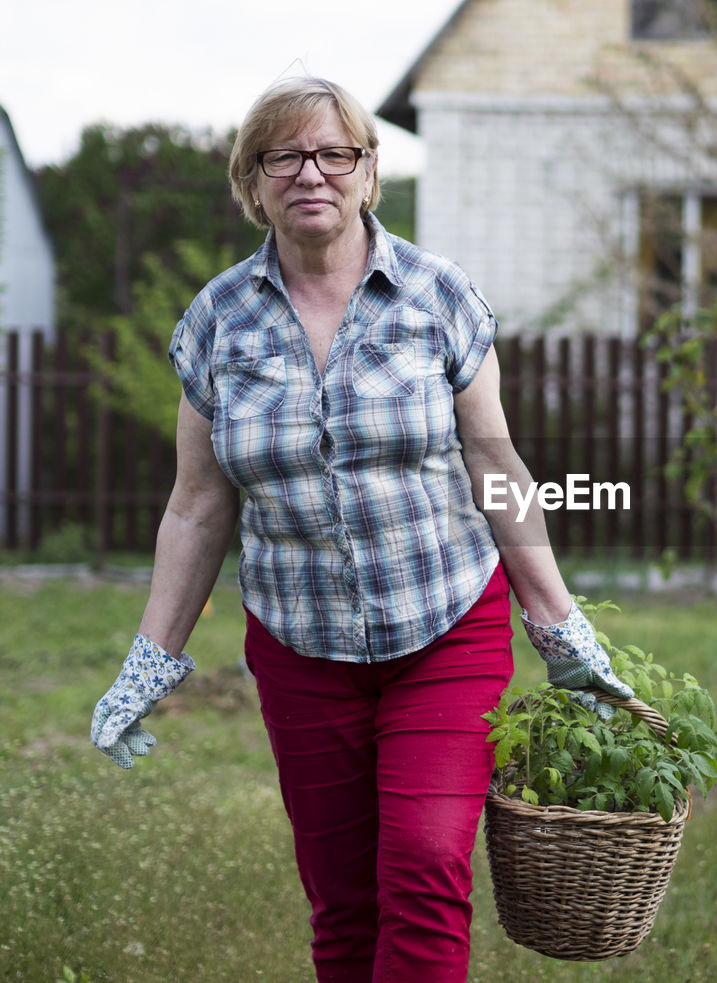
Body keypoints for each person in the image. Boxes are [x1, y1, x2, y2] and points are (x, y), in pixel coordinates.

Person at [89, 76, 633, 983]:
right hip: (301, 648)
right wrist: (152, 657)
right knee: (342, 901)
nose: (313, 172)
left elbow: (494, 465)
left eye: (335, 152)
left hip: (445, 629)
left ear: (369, 173)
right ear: (252, 181)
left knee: (422, 863)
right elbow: (197, 503)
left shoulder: (437, 296)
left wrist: (559, 623)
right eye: (285, 155)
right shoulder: (216, 322)